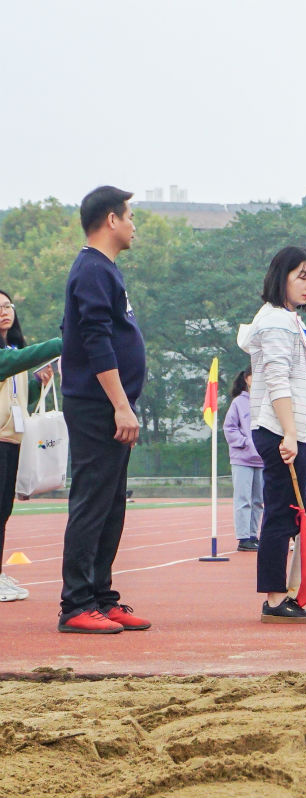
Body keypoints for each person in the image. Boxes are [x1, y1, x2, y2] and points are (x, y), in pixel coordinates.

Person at [57, 186, 150, 634]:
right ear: (111, 219)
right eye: (129, 216)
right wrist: (120, 406)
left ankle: (100, 596)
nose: (134, 226)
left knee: (111, 505)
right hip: (97, 407)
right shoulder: (92, 269)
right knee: (92, 502)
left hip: (109, 406)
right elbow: (95, 339)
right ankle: (75, 604)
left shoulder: (105, 270)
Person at [237, 246, 306, 624]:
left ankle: (286, 593)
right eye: (301, 276)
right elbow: (277, 380)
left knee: (291, 513)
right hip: (281, 431)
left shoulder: (290, 320)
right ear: (281, 276)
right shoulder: (275, 321)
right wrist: (289, 433)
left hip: (297, 432)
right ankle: (275, 599)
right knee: (281, 513)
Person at [0, 290, 61, 603]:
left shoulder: (13, 351)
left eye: (7, 305)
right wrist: (61, 343)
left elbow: (22, 402)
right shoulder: (11, 358)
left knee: (3, 510)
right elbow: (12, 363)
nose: (4, 311)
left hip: (12, 439)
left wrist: (38, 384)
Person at [222, 368, 264, 553]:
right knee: (243, 499)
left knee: (258, 500)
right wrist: (245, 443)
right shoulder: (239, 402)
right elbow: (229, 428)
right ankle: (243, 537)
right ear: (247, 379)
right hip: (242, 459)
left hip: (262, 459)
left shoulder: (267, 401)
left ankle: (253, 535)